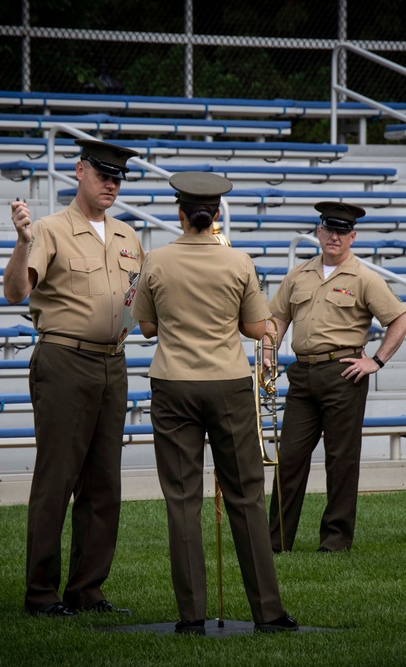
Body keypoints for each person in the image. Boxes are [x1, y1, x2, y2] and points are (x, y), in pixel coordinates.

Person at [131, 172, 297, 633]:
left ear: (180, 214)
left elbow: (144, 327)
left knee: (182, 501)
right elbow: (257, 328)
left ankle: (190, 616)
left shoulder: (156, 261)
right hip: (226, 384)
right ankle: (268, 611)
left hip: (172, 384)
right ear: (216, 215)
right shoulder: (239, 261)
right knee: (247, 497)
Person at [4, 138, 143, 618]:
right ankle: (42, 593)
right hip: (64, 361)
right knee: (56, 478)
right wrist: (23, 244)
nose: (112, 184)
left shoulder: (128, 235)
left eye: (118, 177)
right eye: (103, 174)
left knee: (104, 482)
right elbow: (16, 292)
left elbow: (139, 303)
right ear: (79, 171)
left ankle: (87, 590)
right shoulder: (48, 230)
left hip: (114, 361)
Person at [266, 202, 406, 553]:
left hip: (343, 372)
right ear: (318, 232)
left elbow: (401, 318)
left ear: (353, 237)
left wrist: (376, 361)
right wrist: (269, 352)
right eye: (329, 229)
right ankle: (275, 540)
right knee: (290, 458)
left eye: (342, 232)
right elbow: (276, 318)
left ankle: (334, 541)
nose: (335, 237)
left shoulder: (364, 277)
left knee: (341, 459)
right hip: (301, 373)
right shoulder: (299, 274)